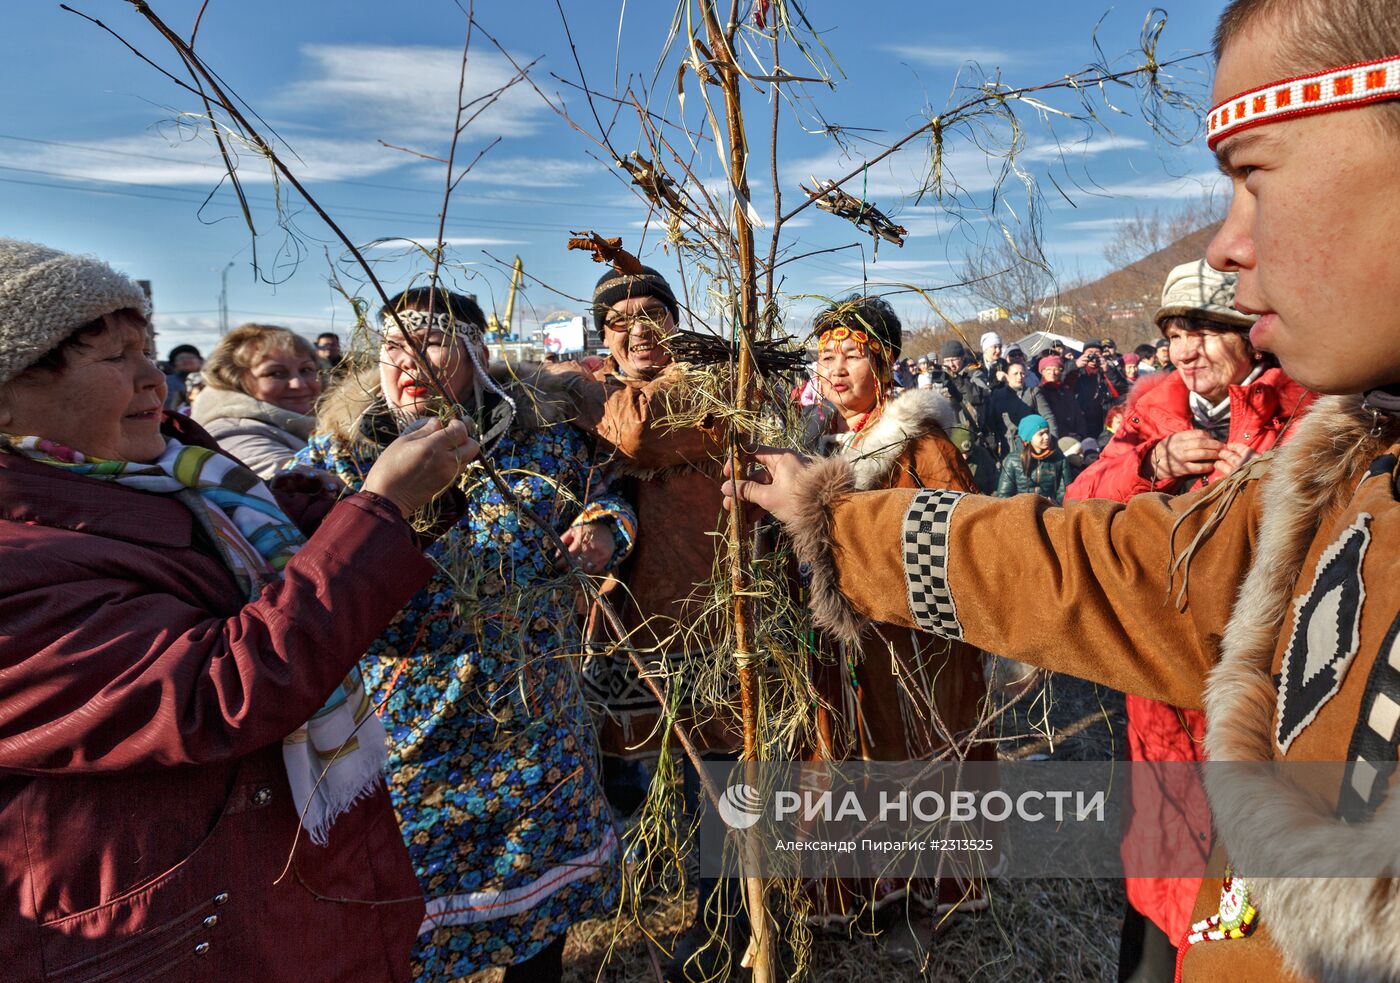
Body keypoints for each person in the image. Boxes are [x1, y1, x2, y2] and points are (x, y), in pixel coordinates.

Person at [724, 0, 1400, 975]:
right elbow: (1105, 560)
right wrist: (831, 522)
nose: (1224, 245)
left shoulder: (1298, 439)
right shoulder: (1337, 475)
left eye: (1255, 175)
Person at [0, 238, 476, 981]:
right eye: (115, 357)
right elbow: (217, 689)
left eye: (147, 349)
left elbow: (242, 566)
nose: (153, 377)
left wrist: (344, 514)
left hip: (261, 891)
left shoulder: (170, 479)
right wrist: (379, 509)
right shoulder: (18, 561)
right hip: (162, 933)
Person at [293, 287, 637, 982]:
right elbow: (308, 564)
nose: (408, 360)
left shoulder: (542, 436)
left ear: (479, 353)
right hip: (409, 723)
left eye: (432, 342)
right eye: (393, 345)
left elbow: (611, 495)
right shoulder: (344, 452)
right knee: (404, 913)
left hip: (533, 713)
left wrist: (605, 531)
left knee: (538, 910)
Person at [1066, 260, 1316, 981]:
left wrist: (1269, 485)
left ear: (1250, 334)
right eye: (1175, 333)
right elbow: (1079, 503)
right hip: (1159, 693)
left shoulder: (1302, 410)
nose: (1186, 350)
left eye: (1204, 330)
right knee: (1163, 862)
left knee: (1243, 895)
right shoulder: (1148, 411)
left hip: (1258, 697)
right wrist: (1151, 461)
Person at [802, 296, 992, 949]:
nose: (835, 367)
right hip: (844, 636)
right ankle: (865, 887)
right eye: (825, 354)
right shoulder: (825, 440)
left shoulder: (924, 443)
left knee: (912, 752)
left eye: (852, 353)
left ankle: (924, 892)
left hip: (912, 637)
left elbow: (961, 534)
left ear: (884, 363)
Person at [192, 324, 322, 477]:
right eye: (276, 373)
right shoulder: (235, 434)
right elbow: (293, 483)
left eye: (306, 370)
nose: (299, 384)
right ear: (235, 380)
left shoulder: (311, 422)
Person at [986, 360, 1058, 457]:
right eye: (1015, 374)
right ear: (1006, 376)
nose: (1019, 377)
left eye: (1022, 373)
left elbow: (1048, 417)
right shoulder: (998, 395)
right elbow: (991, 422)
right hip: (1007, 447)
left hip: (1031, 446)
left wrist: (1052, 441)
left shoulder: (1033, 392)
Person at [994, 414, 1070, 503]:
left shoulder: (1059, 459)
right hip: (1021, 512)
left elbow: (1066, 494)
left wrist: (1054, 504)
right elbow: (1003, 495)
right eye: (1041, 434)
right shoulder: (1012, 461)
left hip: (1050, 512)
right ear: (1029, 438)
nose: (1046, 437)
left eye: (1047, 432)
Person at [1036, 354, 1086, 439]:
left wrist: (1081, 434)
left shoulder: (1067, 391)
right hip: (1050, 438)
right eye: (1048, 369)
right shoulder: (1038, 392)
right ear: (1042, 372)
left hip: (1072, 437)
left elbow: (1078, 415)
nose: (1052, 373)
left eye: (1056, 369)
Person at [163, 342, 203, 411]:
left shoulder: (211, 381)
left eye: (190, 357)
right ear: (174, 364)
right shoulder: (165, 382)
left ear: (200, 361)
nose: (186, 360)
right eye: (181, 358)